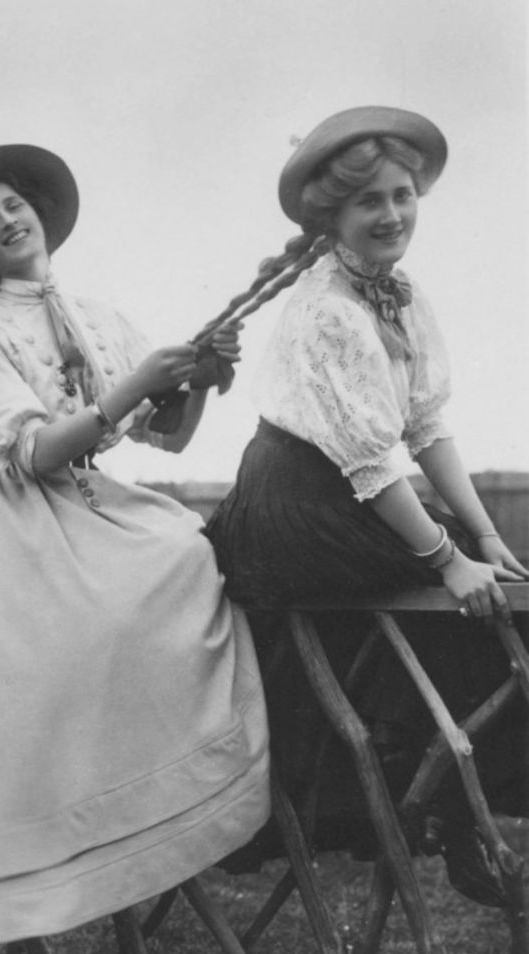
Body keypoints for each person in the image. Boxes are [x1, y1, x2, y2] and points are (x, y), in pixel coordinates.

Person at [0, 144, 270, 950]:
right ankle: (62, 824)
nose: (8, 222)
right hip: (21, 519)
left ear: (38, 214)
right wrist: (136, 385)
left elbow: (166, 436)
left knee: (188, 551)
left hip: (97, 500)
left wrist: (199, 380)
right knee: (80, 629)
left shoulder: (100, 317)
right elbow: (33, 454)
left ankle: (172, 782)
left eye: (14, 205)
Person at [205, 106, 529, 901]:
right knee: (464, 604)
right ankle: (452, 818)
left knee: (497, 590)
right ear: (332, 216)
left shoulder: (399, 295)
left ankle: (448, 797)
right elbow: (373, 464)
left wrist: (485, 535)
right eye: (369, 202)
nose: (391, 214)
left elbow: (426, 426)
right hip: (294, 509)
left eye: (402, 195)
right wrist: (447, 560)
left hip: (352, 496)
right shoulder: (329, 311)